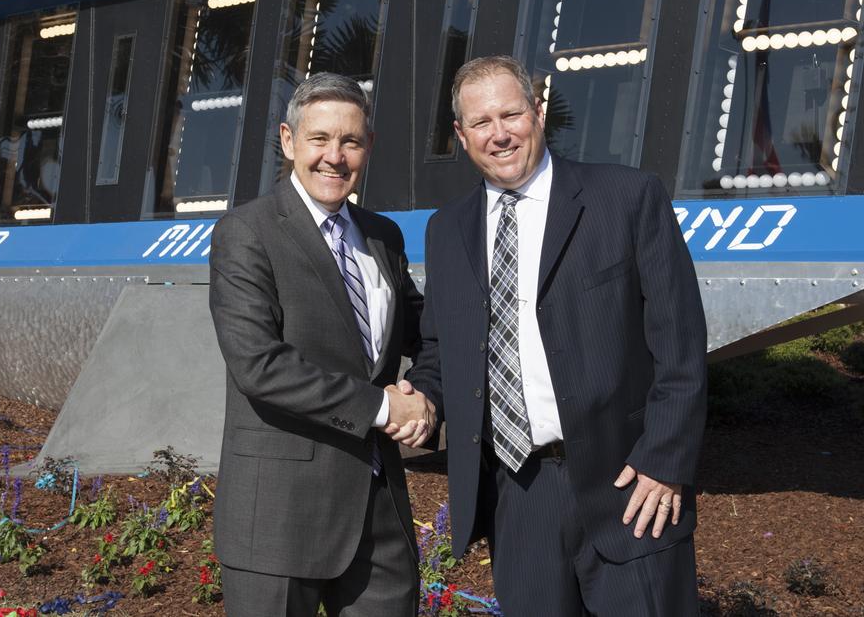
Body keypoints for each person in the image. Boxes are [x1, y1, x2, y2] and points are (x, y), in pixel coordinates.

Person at [403, 55, 708, 615]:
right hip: (519, 497)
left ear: (538, 112)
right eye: (481, 122)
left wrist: (665, 461)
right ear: (460, 135)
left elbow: (681, 346)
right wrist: (422, 398)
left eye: (511, 114)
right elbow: (441, 349)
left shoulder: (628, 198)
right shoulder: (446, 231)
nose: (499, 134)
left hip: (629, 483)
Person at [209, 72, 437, 617]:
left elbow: (426, 330)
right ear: (288, 141)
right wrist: (385, 408)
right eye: (319, 139)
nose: (335, 156)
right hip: (279, 519)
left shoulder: (383, 235)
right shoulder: (246, 232)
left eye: (351, 141)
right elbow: (259, 366)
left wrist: (426, 393)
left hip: (378, 512)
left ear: (368, 148)